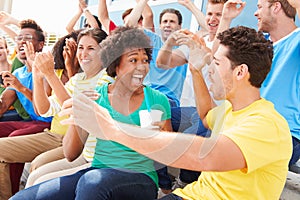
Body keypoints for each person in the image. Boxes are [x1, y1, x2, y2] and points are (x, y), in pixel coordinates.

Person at [56, 25, 292, 200]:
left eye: (216, 64)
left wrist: (111, 128)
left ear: (240, 72)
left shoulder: (266, 124)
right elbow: (206, 114)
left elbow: (204, 157)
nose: (211, 70)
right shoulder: (232, 110)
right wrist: (196, 69)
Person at [12, 26, 172, 200]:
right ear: (116, 64)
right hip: (96, 171)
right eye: (133, 60)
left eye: (145, 60)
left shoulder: (157, 100)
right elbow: (71, 154)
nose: (141, 67)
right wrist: (77, 116)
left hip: (140, 177)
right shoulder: (95, 97)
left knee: (92, 182)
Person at [215, 0, 300, 172]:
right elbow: (218, 59)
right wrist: (225, 19)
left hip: (283, 134)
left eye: (260, 7)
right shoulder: (262, 44)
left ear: (276, 7)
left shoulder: (296, 41)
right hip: (244, 122)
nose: (255, 13)